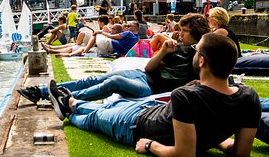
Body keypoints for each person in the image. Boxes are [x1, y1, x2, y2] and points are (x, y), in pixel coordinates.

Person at [48, 33, 261, 157]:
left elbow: (184, 156)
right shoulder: (248, 96)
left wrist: (151, 146)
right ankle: (72, 102)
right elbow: (242, 152)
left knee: (95, 118)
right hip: (149, 110)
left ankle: (68, 107)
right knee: (108, 108)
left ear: (202, 61)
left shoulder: (187, 96)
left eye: (196, 51)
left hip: (136, 124)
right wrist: (220, 141)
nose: (193, 54)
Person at [18, 13, 210, 104]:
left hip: (154, 88)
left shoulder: (202, 55)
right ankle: (41, 91)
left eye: (185, 31)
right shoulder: (177, 48)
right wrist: (163, 52)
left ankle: (65, 98)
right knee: (97, 78)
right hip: (145, 76)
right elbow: (150, 68)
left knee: (114, 81)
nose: (181, 34)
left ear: (196, 32)